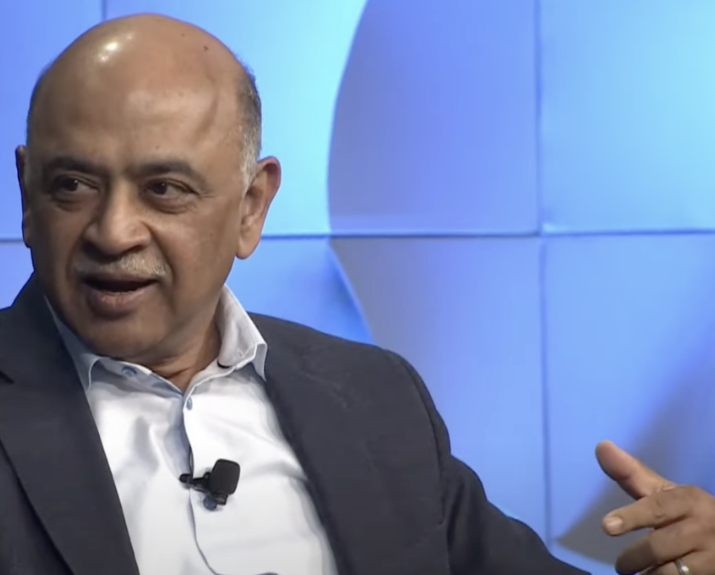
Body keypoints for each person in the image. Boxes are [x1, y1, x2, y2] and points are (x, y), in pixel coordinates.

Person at [1, 13, 713, 575]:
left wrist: (686, 559)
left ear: (251, 207)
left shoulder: (375, 397)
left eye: (164, 189)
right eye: (73, 185)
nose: (113, 231)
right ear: (28, 196)